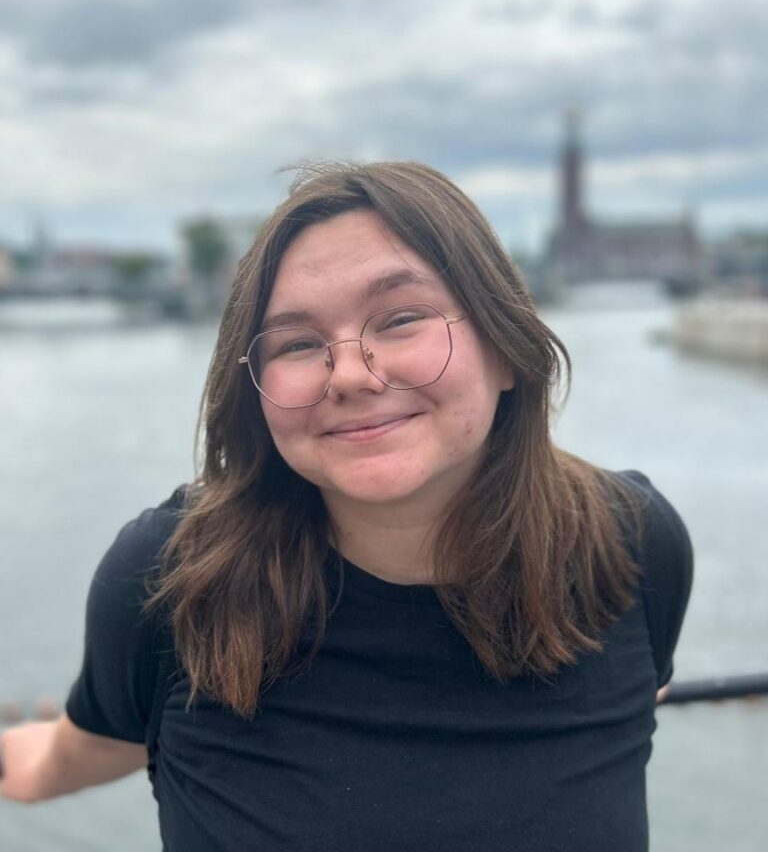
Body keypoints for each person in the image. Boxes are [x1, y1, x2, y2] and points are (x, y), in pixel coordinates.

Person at [0, 160, 693, 851]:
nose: (353, 375)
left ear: (505, 347)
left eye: (401, 318)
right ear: (255, 388)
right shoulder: (169, 581)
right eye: (299, 343)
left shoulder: (633, 549)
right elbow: (87, 746)